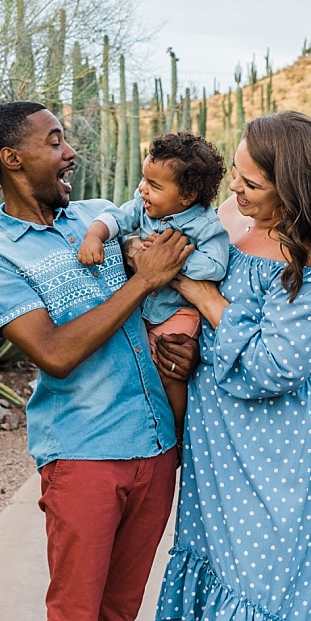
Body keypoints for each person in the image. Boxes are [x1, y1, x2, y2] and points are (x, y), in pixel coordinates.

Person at [0, 101, 195, 621]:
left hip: (157, 445)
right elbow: (56, 352)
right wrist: (144, 280)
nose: (70, 152)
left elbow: (176, 264)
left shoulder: (99, 218)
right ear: (12, 158)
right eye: (55, 140)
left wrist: (177, 346)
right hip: (85, 457)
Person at [150, 111, 311, 621]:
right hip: (223, 441)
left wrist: (196, 292)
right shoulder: (225, 218)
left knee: (270, 590)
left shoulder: (308, 259)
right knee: (230, 578)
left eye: (251, 183)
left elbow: (273, 366)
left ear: (291, 187)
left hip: (283, 445)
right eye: (235, 176)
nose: (234, 191)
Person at [78, 131, 229, 439]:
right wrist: (94, 236)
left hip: (177, 313)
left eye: (154, 185)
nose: (142, 189)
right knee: (131, 361)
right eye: (144, 179)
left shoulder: (207, 225)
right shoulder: (143, 206)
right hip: (144, 307)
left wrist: (173, 258)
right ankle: (132, 425)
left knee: (169, 366)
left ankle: (174, 431)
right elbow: (115, 218)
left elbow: (215, 266)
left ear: (186, 196)